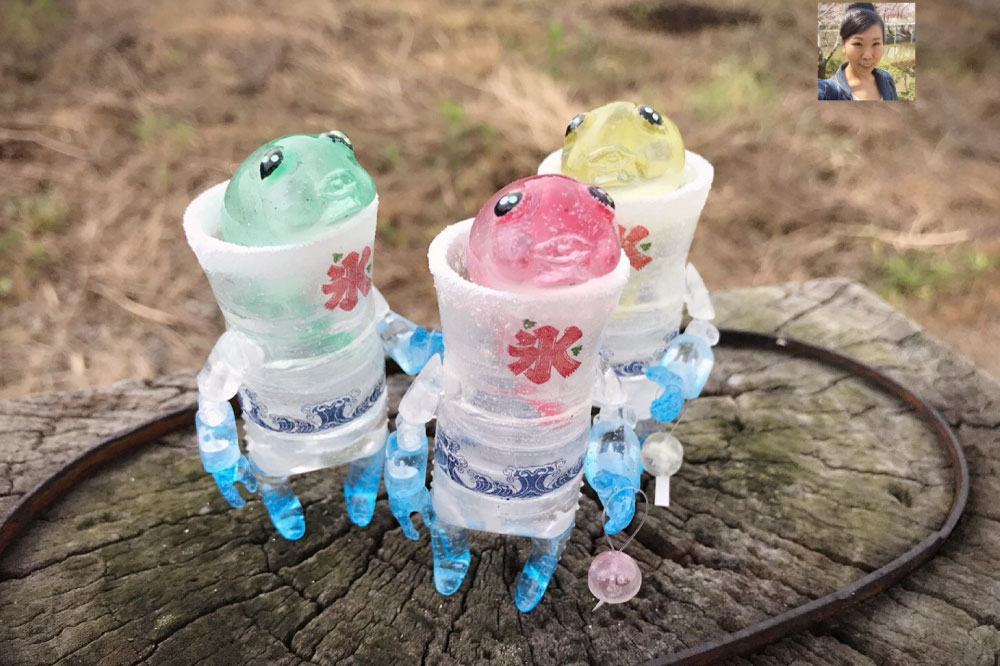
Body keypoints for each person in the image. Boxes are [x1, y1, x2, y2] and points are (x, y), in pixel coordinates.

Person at [818, 3, 898, 100]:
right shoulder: (825, 92)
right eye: (858, 44)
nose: (867, 56)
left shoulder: (887, 79)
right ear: (843, 43)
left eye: (876, 43)